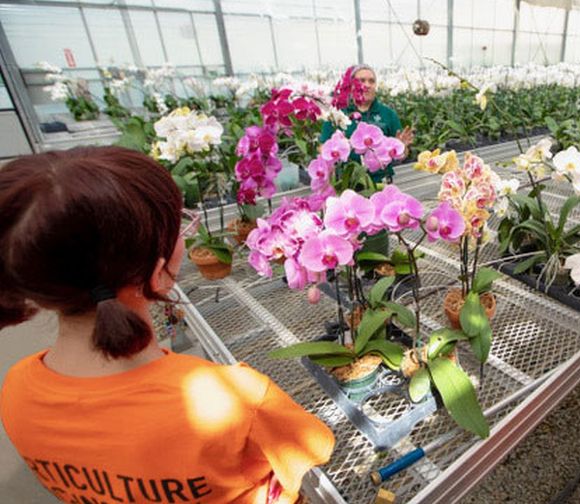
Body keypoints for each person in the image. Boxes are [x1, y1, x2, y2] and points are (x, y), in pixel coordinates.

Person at [0, 147, 334, 504]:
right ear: (158, 274)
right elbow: (316, 446)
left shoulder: (15, 390)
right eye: (179, 223)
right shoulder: (234, 398)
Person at [319, 64, 415, 183]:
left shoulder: (388, 114)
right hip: (347, 183)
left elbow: (400, 156)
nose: (367, 85)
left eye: (372, 81)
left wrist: (402, 148)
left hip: (381, 181)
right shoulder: (338, 115)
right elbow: (323, 148)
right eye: (362, 80)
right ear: (351, 85)